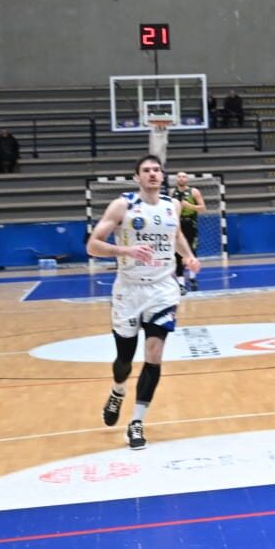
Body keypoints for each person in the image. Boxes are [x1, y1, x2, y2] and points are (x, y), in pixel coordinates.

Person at [85, 155, 199, 448]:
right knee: (124, 359)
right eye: (146, 170)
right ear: (137, 177)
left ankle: (137, 422)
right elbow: (93, 245)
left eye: (156, 170)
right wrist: (128, 251)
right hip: (129, 290)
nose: (152, 174)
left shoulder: (171, 205)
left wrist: (187, 255)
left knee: (154, 353)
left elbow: (175, 236)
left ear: (162, 175)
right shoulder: (123, 205)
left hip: (163, 288)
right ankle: (117, 389)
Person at [168, 173, 206, 292]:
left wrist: (189, 206)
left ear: (187, 179)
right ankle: (181, 283)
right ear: (176, 179)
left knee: (191, 251)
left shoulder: (194, 192)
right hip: (177, 225)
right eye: (179, 176)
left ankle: (193, 278)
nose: (181, 178)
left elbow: (203, 208)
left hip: (191, 224)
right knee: (177, 254)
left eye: (184, 176)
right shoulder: (172, 193)